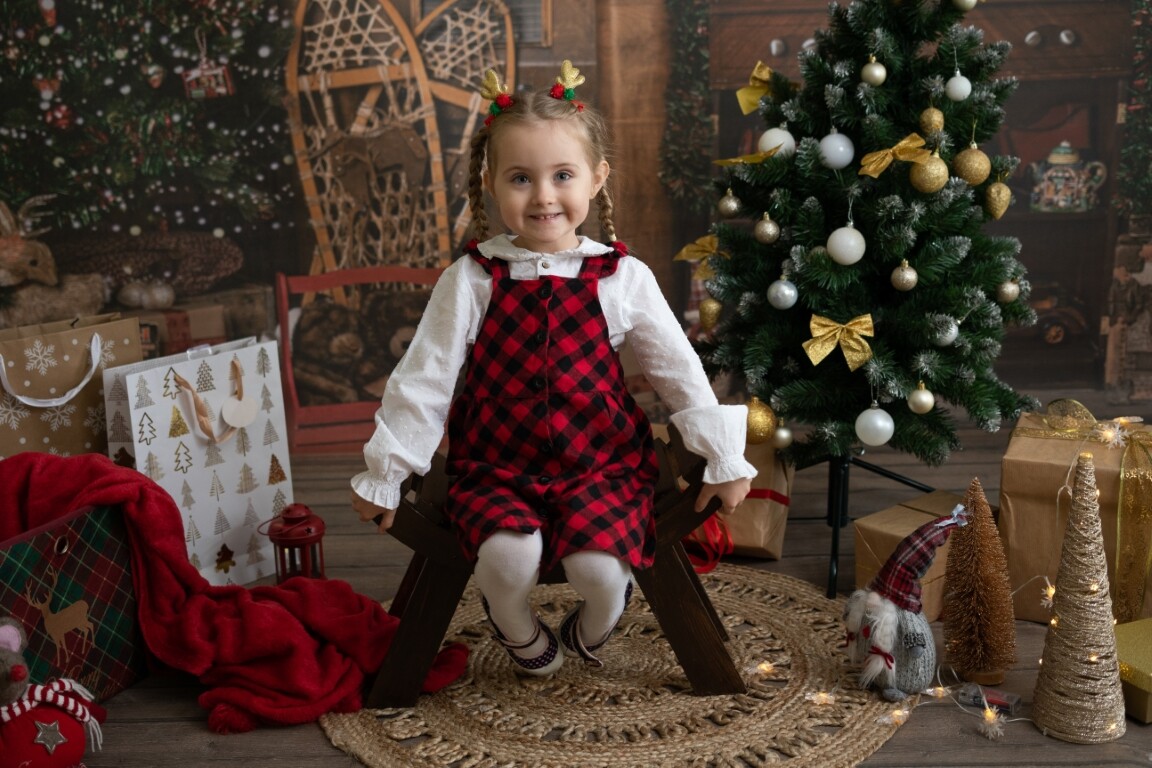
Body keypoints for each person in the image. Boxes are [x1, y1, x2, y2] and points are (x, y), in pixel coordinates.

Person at [351, 60, 755, 676]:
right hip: (496, 465)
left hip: (602, 463)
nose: (543, 196)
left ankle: (595, 624)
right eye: (521, 178)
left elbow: (679, 372)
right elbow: (425, 378)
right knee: (507, 561)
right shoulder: (472, 278)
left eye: (562, 175)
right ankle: (516, 628)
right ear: (491, 183)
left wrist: (723, 458)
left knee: (600, 571)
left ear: (596, 178)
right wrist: (388, 474)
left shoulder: (621, 277)